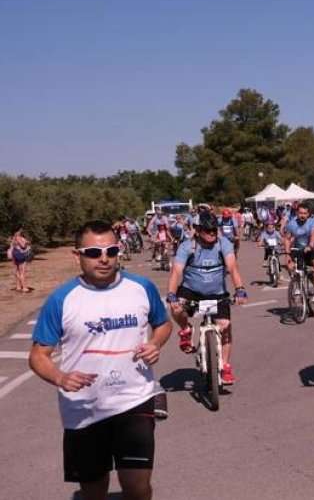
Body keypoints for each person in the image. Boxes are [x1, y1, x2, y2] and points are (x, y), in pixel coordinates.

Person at [30, 220, 171, 500]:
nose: (104, 259)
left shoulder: (141, 287)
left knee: (137, 487)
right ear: (77, 256)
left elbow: (163, 324)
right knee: (93, 490)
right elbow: (38, 356)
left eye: (111, 251)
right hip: (84, 409)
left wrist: (155, 343)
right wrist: (60, 377)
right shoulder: (61, 300)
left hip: (134, 400)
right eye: (93, 252)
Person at [166, 210, 247, 385]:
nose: (212, 233)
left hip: (217, 292)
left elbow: (232, 267)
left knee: (225, 326)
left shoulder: (223, 243)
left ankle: (225, 365)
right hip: (191, 291)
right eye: (207, 230)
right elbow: (176, 272)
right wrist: (172, 294)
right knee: (176, 308)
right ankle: (186, 330)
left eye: (214, 230)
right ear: (197, 230)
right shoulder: (187, 246)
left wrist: (240, 289)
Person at [283, 203, 314, 313]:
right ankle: (296, 283)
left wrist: (310, 246)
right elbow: (287, 238)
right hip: (297, 249)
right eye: (300, 213)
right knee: (289, 265)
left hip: (311, 248)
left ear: (308, 214)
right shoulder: (291, 224)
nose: (302, 215)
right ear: (297, 213)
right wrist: (287, 253)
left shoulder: (313, 222)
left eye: (305, 213)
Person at [8, 227, 34, 292]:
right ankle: (24, 287)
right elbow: (23, 246)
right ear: (18, 230)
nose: (21, 231)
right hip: (20, 255)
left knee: (17, 271)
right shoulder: (18, 237)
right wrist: (26, 242)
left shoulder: (13, 237)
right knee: (22, 272)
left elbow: (13, 246)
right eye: (20, 230)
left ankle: (18, 286)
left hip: (15, 254)